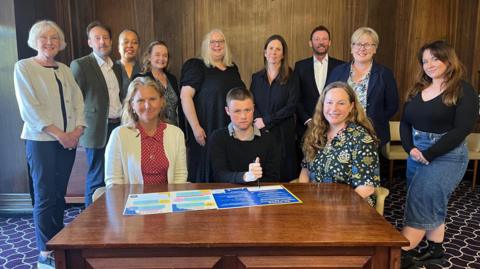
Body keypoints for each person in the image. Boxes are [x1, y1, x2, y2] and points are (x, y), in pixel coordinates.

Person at [399, 40, 478, 269]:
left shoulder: (464, 90)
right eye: (425, 60)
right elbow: (405, 122)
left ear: (448, 59)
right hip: (416, 153)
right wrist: (410, 148)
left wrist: (431, 154)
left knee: (421, 199)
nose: (429, 64)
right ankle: (435, 250)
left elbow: (462, 129)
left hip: (447, 155)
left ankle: (403, 249)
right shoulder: (417, 89)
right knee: (431, 200)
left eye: (435, 58)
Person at [14, 20, 85, 269]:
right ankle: (46, 252)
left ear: (60, 42)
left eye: (54, 38)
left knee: (58, 195)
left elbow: (78, 101)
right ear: (35, 40)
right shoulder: (24, 67)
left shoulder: (64, 69)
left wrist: (77, 130)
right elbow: (30, 108)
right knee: (44, 196)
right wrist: (60, 134)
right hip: (41, 141)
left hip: (68, 140)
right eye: (43, 37)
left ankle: (59, 243)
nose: (49, 42)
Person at [299, 81, 380, 206]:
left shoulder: (362, 139)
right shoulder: (316, 133)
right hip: (316, 206)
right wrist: (305, 199)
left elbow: (366, 188)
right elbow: (305, 170)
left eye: (341, 103)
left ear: (351, 106)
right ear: (322, 105)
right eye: (329, 102)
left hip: (351, 208)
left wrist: (334, 209)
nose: (334, 108)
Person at [180, 29, 244, 182]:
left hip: (230, 133)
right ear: (206, 45)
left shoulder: (232, 68)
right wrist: (196, 127)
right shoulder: (197, 65)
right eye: (212, 42)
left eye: (220, 41)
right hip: (206, 131)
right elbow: (185, 96)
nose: (217, 45)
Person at [70, 21, 123, 207]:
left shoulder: (116, 66)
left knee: (115, 174)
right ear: (90, 42)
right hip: (97, 130)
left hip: (118, 127)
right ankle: (90, 220)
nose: (102, 42)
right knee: (97, 176)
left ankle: (110, 214)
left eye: (106, 38)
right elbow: (74, 101)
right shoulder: (80, 65)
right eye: (97, 38)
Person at [105, 76, 187, 186]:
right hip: (131, 201)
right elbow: (113, 181)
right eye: (141, 100)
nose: (148, 106)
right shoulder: (119, 135)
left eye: (152, 99)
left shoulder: (176, 134)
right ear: (132, 105)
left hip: (167, 200)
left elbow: (180, 177)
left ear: (162, 102)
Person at [327, 27, 398, 147]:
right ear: (351, 47)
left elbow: (392, 106)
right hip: (339, 133)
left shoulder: (384, 74)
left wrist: (373, 120)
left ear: (375, 49)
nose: (362, 48)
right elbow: (326, 100)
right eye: (358, 44)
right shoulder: (338, 72)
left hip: (372, 135)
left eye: (367, 44)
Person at [250, 34, 299, 182]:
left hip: (283, 134)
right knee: (264, 174)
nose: (274, 52)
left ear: (283, 55)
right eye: (271, 48)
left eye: (278, 49)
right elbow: (252, 102)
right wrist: (259, 121)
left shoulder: (292, 76)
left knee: (283, 175)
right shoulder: (256, 77)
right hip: (261, 132)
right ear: (265, 52)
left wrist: (267, 120)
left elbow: (292, 106)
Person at [209, 87, 281, 183]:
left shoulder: (269, 139)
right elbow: (219, 175)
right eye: (237, 111)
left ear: (253, 109)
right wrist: (245, 176)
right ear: (227, 111)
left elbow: (273, 177)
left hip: (259, 194)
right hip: (228, 194)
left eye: (247, 110)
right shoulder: (218, 138)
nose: (243, 116)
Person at [294, 25, 344, 134]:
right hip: (306, 127)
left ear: (329, 42)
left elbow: (344, 98)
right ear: (310, 43)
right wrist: (307, 120)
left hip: (334, 126)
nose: (321, 42)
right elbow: (296, 97)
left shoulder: (341, 67)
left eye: (324, 39)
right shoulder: (300, 66)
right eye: (317, 39)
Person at [137, 41, 182, 127]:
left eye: (165, 55)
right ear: (149, 57)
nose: (161, 58)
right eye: (157, 55)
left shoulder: (172, 79)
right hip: (151, 128)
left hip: (173, 129)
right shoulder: (141, 79)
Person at [116, 29, 142, 95]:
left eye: (134, 42)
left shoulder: (145, 69)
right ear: (119, 47)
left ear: (139, 47)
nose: (130, 45)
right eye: (126, 42)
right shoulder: (111, 69)